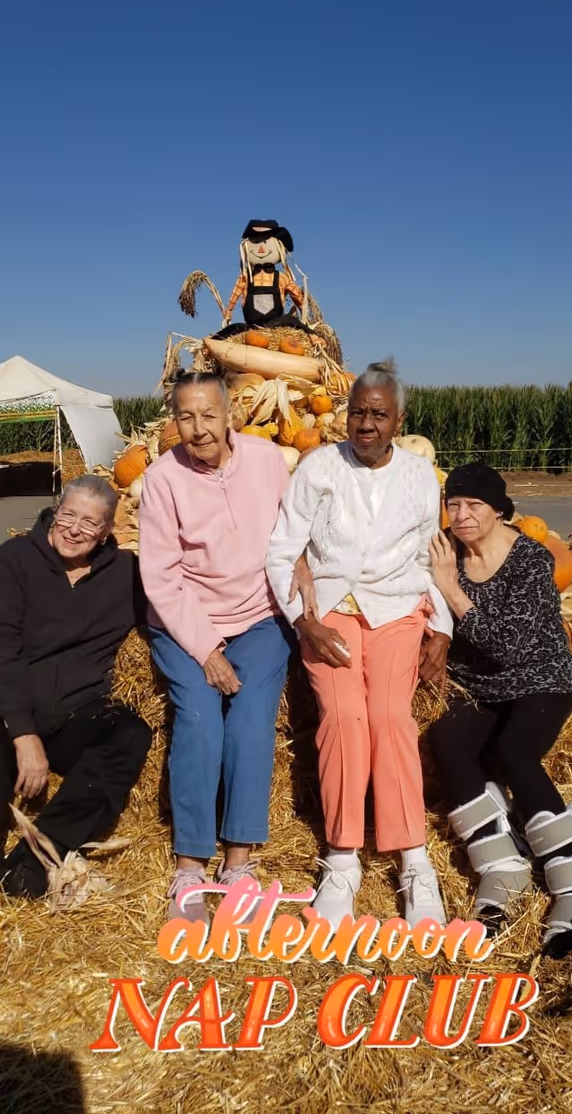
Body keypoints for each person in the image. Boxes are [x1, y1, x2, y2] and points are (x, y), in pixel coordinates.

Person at [266, 360, 453, 931]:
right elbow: (281, 551)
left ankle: (413, 859)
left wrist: (441, 626)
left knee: (389, 716)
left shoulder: (422, 478)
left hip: (398, 609)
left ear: (400, 420)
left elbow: (430, 560)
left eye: (379, 414)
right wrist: (304, 622)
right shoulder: (319, 468)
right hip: (331, 613)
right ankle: (343, 857)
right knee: (344, 715)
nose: (365, 423)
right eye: (358, 411)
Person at [427, 463, 572, 956]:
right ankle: (502, 866)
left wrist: (450, 587)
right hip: (481, 687)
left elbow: (507, 646)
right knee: (446, 740)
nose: (463, 515)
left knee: (513, 751)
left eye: (475, 506)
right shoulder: (446, 550)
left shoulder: (529, 558)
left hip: (541, 680)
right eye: (454, 505)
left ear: (499, 510)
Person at [138, 370, 294, 924]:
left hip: (258, 616)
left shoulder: (269, 461)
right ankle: (189, 867)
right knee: (200, 719)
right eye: (186, 416)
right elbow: (159, 576)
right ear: (173, 421)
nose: (198, 428)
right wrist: (205, 649)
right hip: (186, 617)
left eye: (208, 415)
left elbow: (293, 536)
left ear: (230, 415)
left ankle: (239, 864)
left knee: (251, 717)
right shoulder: (161, 478)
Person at [0, 475, 151, 899]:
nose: (74, 529)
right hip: (13, 711)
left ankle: (37, 856)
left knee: (130, 734)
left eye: (89, 523)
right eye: (68, 515)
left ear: (106, 533)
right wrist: (23, 734)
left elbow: (173, 611)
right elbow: (3, 651)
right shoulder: (14, 560)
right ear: (55, 510)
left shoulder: (126, 574)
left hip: (77, 713)